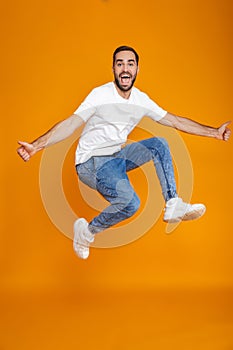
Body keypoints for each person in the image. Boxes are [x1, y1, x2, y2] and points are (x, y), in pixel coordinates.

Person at [17, 45, 231, 259]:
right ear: (113, 69)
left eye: (130, 64)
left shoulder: (141, 100)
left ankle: (173, 203)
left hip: (116, 158)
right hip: (91, 163)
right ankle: (88, 232)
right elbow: (71, 123)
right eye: (120, 64)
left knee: (160, 144)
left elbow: (174, 120)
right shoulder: (100, 95)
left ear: (137, 69)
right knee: (132, 203)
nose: (125, 69)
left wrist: (213, 132)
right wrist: (36, 145)